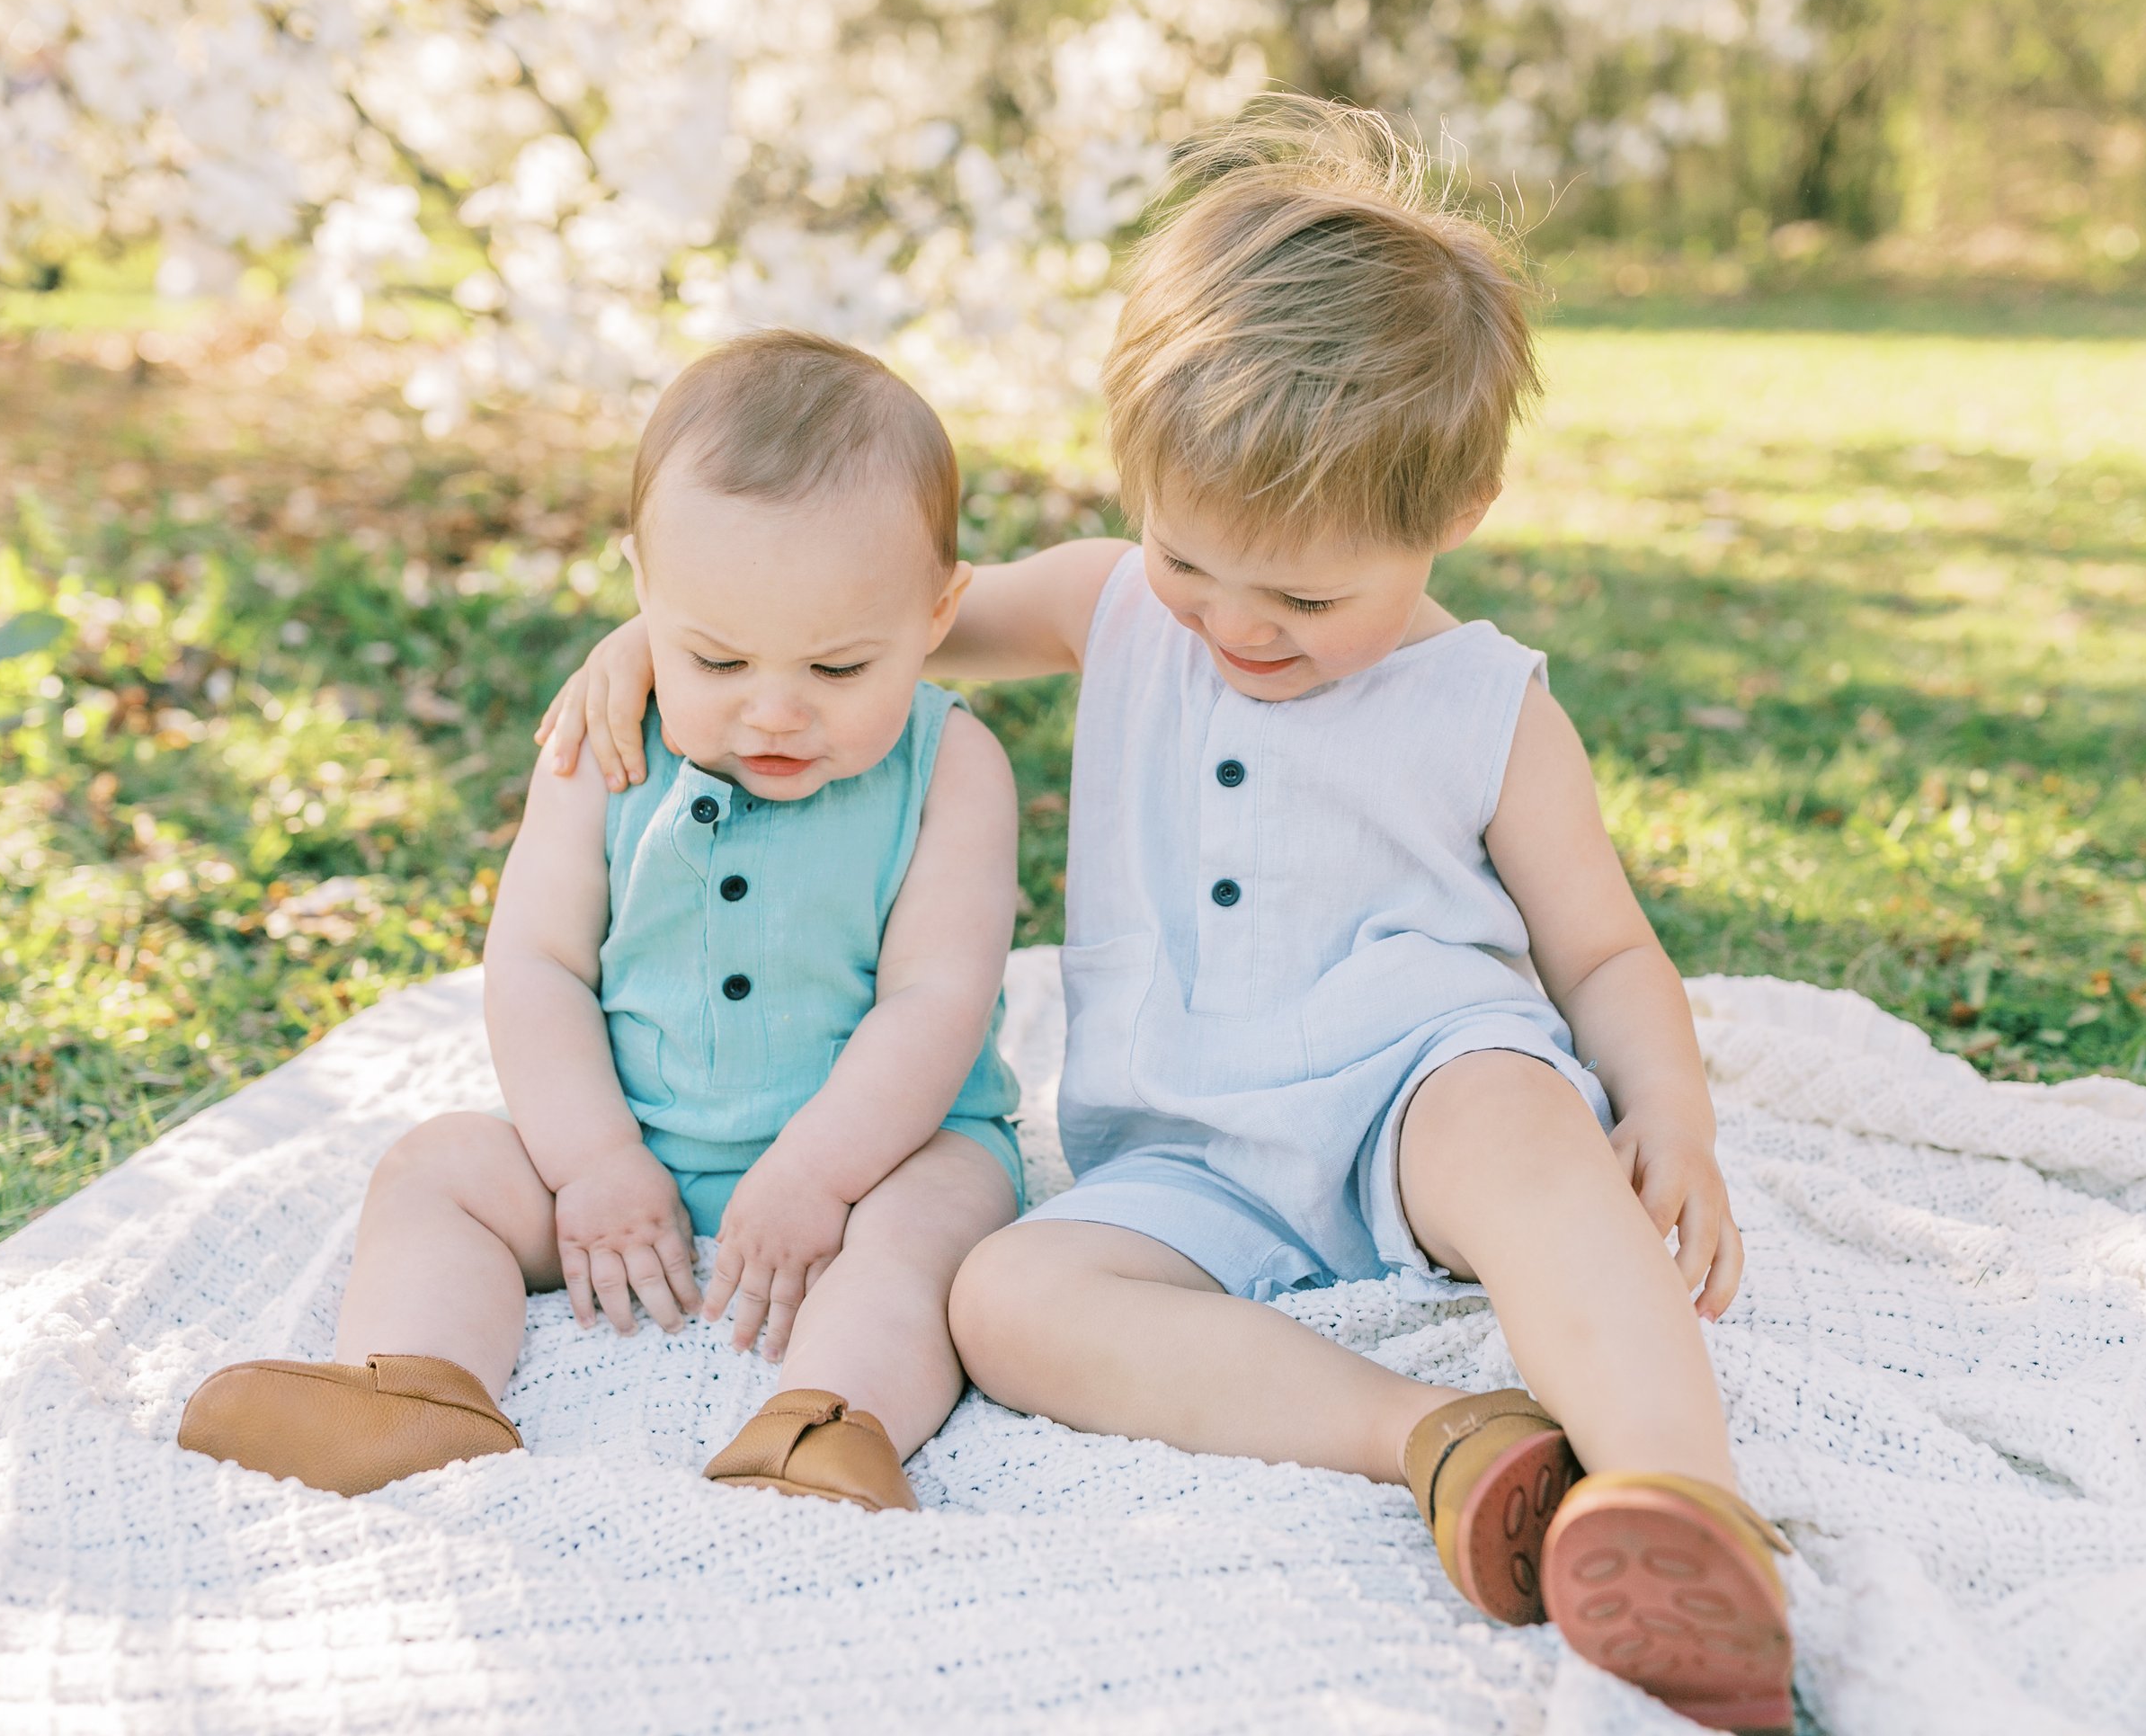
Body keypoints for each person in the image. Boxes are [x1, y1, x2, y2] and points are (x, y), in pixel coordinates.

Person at [535, 102, 1795, 1732]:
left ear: (1458, 510)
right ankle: (1435, 1437)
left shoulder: (1483, 705)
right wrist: (661, 647)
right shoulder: (1116, 607)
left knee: (1526, 1143)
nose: (1236, 626)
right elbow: (863, 621)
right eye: (1194, 560)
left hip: (1414, 1079)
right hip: (1183, 1152)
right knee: (1008, 1303)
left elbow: (1607, 949)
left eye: (1311, 597)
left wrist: (1672, 1114)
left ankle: (1684, 1510)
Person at [178, 331, 1025, 1513]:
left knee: (941, 1220)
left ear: (938, 612)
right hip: (636, 1149)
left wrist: (822, 1176)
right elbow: (536, 965)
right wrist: (593, 1163)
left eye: (840, 670)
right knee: (439, 1170)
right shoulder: (607, 743)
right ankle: (418, 1388)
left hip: (878, 1155)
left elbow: (938, 998)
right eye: (717, 656)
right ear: (643, 597)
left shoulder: (953, 768)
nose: (775, 710)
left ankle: (827, 1420)